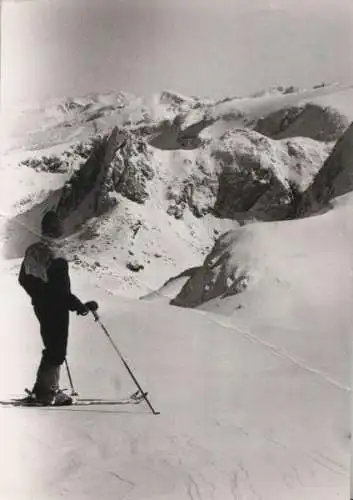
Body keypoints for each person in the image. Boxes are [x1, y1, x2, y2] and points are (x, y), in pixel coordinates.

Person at [18, 210, 97, 406]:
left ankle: (46, 389)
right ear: (57, 229)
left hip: (42, 308)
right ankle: (46, 393)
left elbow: (23, 279)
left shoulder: (33, 250)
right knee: (56, 349)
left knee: (52, 346)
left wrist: (39, 296)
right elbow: (61, 292)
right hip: (56, 310)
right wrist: (79, 306)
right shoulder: (56, 255)